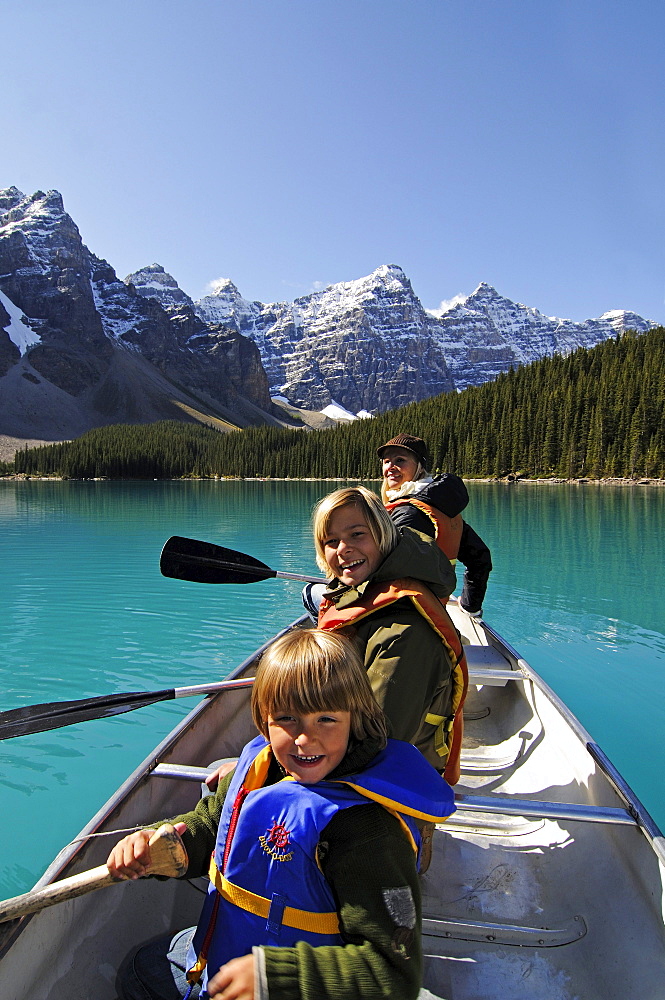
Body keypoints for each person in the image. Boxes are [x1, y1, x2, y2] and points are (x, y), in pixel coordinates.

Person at [107, 628, 455, 1000]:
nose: (305, 739)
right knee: (140, 969)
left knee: (143, 976)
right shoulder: (260, 767)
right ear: (263, 720)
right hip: (226, 955)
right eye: (287, 719)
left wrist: (272, 977)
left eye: (326, 719)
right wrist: (159, 845)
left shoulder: (368, 831)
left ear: (355, 717)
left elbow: (393, 974)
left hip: (296, 985)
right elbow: (210, 826)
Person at [309, 486, 468, 784]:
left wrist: (273, 770)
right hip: (341, 756)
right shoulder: (359, 595)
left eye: (357, 534)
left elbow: (376, 744)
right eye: (331, 541)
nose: (343, 548)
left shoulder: (405, 633)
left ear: (384, 534)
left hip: (391, 787)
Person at [377, 433, 492, 618]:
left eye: (400, 460)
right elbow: (480, 558)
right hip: (433, 609)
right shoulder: (441, 506)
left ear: (420, 467)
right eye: (386, 461)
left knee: (313, 596)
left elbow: (383, 572)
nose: (391, 467)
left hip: (401, 616)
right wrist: (471, 605)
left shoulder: (409, 512)